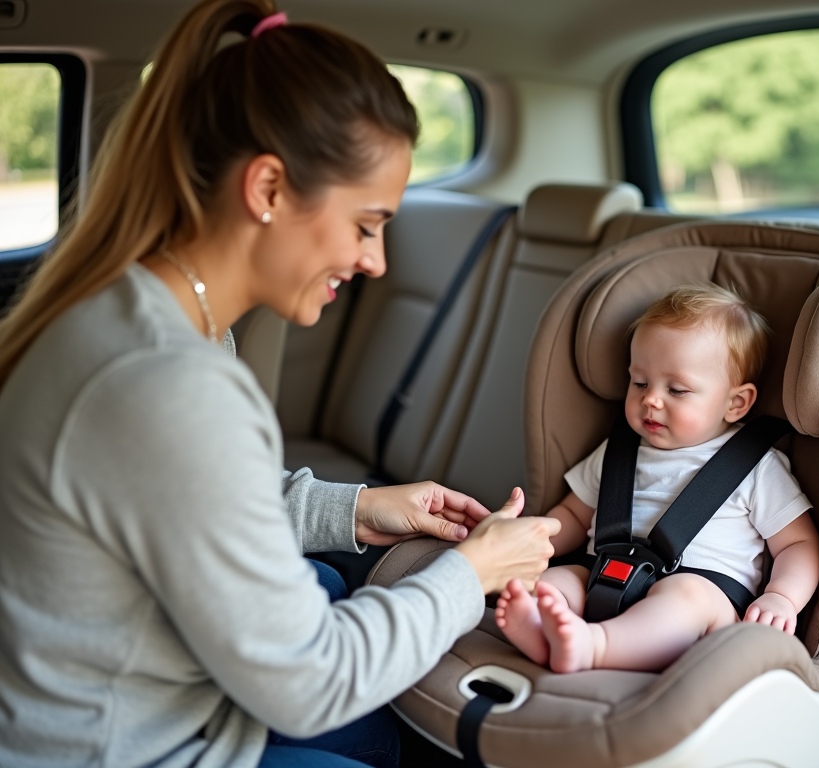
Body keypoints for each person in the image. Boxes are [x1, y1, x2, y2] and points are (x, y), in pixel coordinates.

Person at [0, 2, 560, 767]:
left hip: (132, 693)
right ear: (267, 188)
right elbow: (310, 682)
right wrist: (475, 573)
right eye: (365, 224)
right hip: (119, 745)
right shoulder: (170, 384)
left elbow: (194, 502)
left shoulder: (145, 315)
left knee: (334, 591)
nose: (377, 262)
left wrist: (359, 508)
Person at [494, 284, 819, 674]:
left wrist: (782, 597)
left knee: (686, 597)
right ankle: (538, 627)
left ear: (736, 403)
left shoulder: (758, 468)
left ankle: (594, 647)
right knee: (558, 581)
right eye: (640, 383)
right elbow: (576, 515)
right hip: (604, 574)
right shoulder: (617, 452)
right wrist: (529, 543)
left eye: (677, 389)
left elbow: (798, 543)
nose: (651, 399)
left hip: (703, 602)